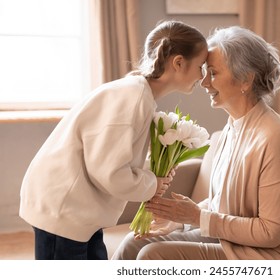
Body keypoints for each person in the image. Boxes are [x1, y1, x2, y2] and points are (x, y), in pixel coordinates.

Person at [111, 26, 280, 260]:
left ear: (246, 80)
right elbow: (227, 205)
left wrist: (197, 218)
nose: (204, 81)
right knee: (133, 244)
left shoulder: (274, 138)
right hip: (234, 242)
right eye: (205, 71)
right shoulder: (232, 127)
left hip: (274, 257)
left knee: (153, 256)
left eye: (214, 73)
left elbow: (270, 232)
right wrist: (178, 220)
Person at [19, 20, 208, 260]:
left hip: (79, 210)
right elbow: (108, 171)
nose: (203, 77)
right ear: (179, 63)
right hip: (64, 210)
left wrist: (153, 173)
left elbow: (113, 158)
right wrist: (152, 184)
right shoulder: (133, 97)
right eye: (201, 66)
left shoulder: (138, 95)